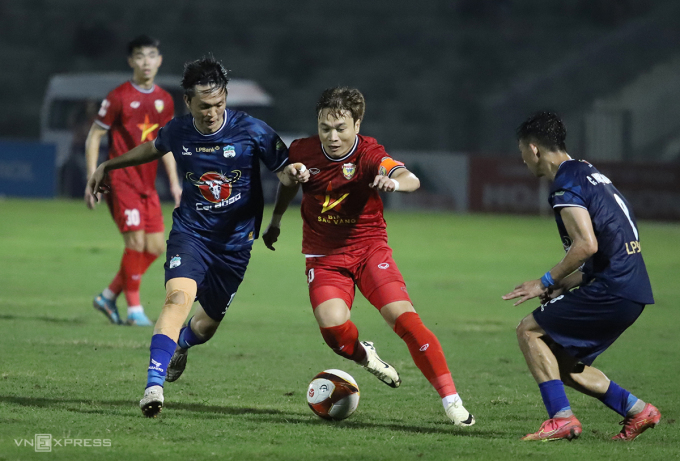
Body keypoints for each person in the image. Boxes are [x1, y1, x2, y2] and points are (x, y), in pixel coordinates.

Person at [87, 56, 309, 417]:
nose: (212, 112)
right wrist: (108, 164)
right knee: (178, 298)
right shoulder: (179, 130)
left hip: (235, 245)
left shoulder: (252, 130)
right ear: (188, 101)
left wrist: (288, 189)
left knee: (205, 327)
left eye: (219, 104)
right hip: (191, 235)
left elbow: (286, 175)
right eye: (204, 106)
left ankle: (182, 345)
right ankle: (153, 386)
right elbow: (153, 148)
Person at [262, 87, 475, 426]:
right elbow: (287, 181)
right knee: (333, 330)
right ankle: (367, 357)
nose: (332, 137)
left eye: (340, 128)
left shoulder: (369, 153)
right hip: (324, 257)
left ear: (357, 124)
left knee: (403, 317)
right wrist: (276, 218)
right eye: (325, 127)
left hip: (369, 250)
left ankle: (452, 401)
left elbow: (410, 178)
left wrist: (396, 184)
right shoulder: (302, 150)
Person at [503, 111, 660, 441]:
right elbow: (608, 243)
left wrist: (544, 282)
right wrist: (565, 284)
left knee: (529, 332)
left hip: (612, 288)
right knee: (561, 362)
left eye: (521, 153)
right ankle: (638, 410)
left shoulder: (566, 184)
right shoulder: (589, 173)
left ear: (534, 149)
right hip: (630, 287)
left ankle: (561, 419)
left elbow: (586, 245)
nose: (523, 161)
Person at [85, 34, 182, 326]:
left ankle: (108, 295)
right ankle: (134, 310)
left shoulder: (165, 100)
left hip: (146, 184)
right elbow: (95, 136)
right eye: (140, 56)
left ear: (159, 60)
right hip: (120, 180)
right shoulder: (118, 97)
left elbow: (164, 145)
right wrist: (93, 178)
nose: (146, 62)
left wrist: (175, 183)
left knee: (154, 247)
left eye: (151, 55)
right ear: (131, 61)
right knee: (136, 242)